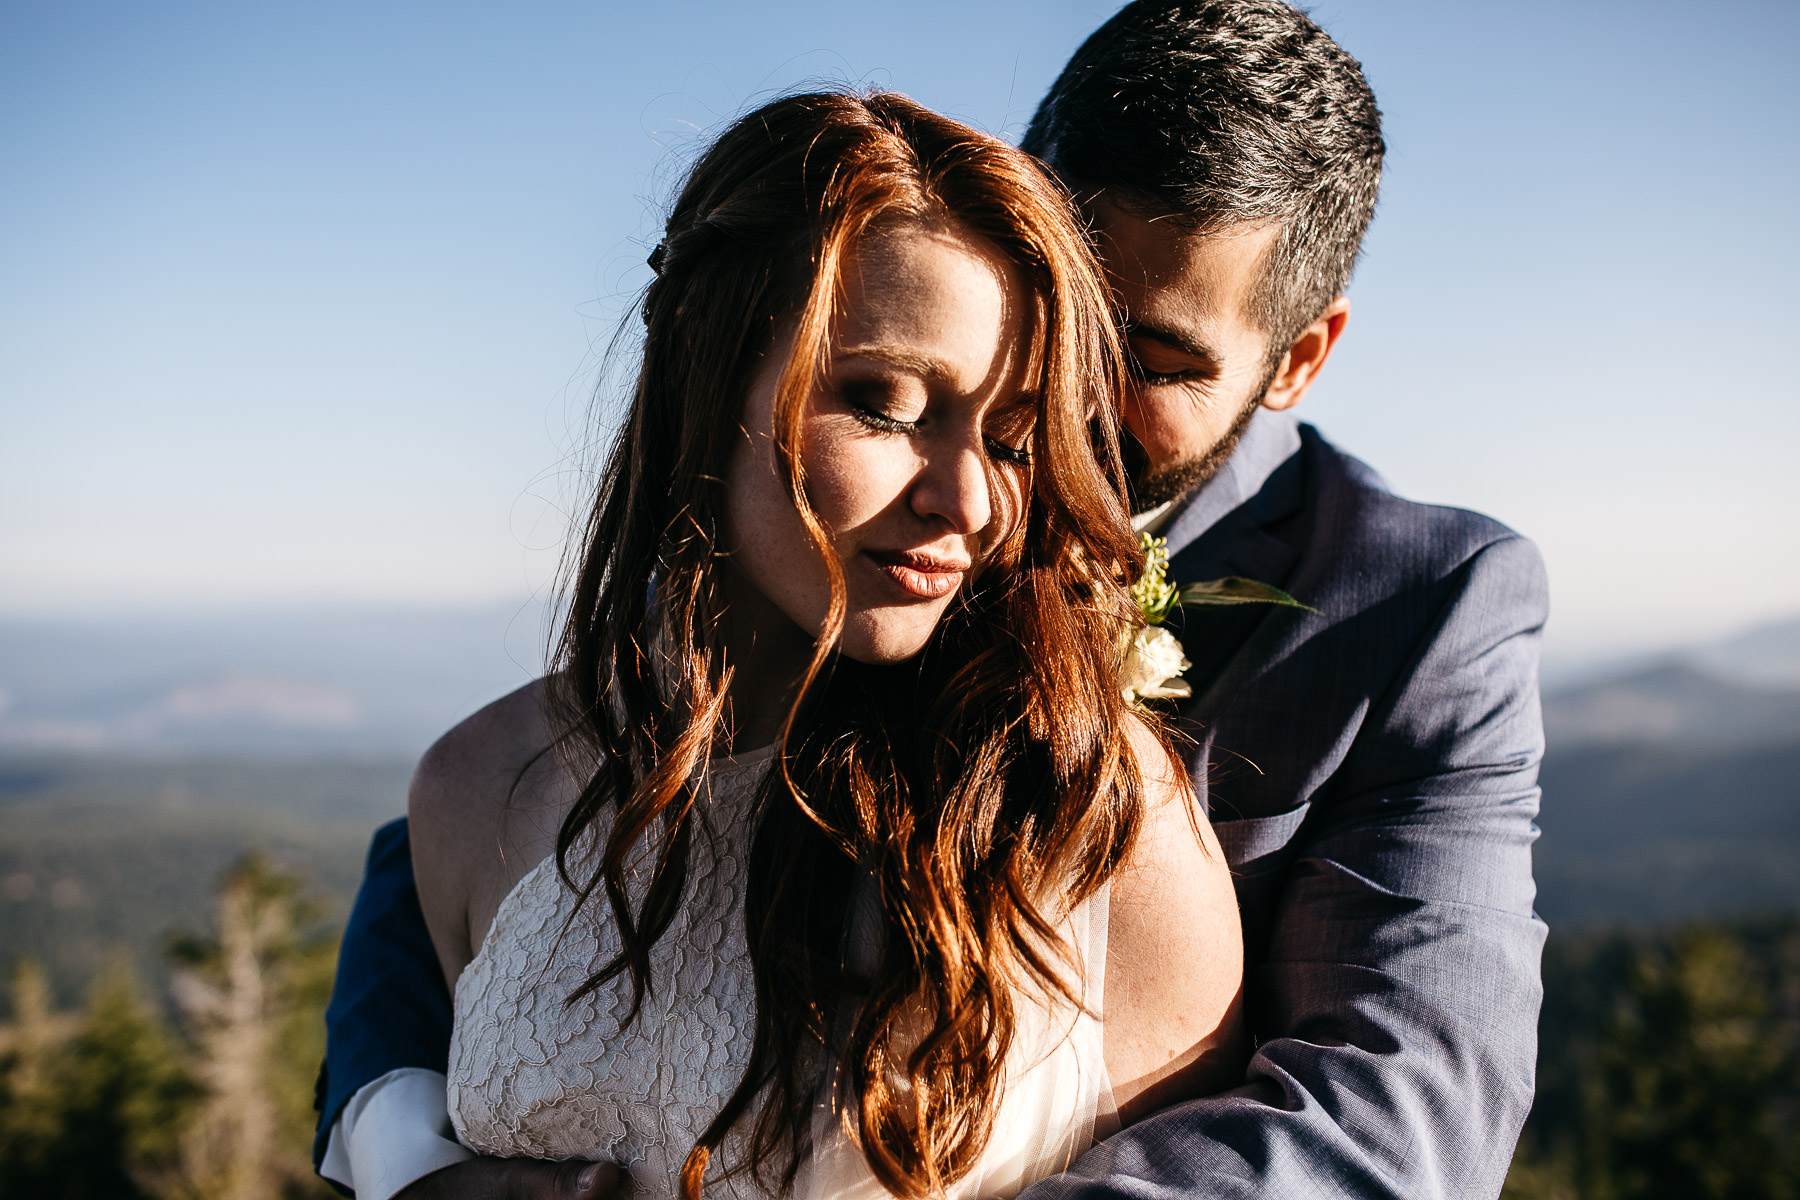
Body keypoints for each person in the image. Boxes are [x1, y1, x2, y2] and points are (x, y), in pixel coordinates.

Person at [317, 2, 1550, 1198]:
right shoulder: (801, 514)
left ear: (1298, 356)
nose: (1064, 386)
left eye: (1150, 360)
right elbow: (537, 815)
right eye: (1047, 307)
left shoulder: (1419, 605)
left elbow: (1397, 1112)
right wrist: (404, 1151)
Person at [321, 89, 1247, 1200]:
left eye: (1009, 438)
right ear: (706, 384)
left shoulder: (1094, 821)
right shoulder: (475, 787)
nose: (965, 501)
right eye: (884, 404)